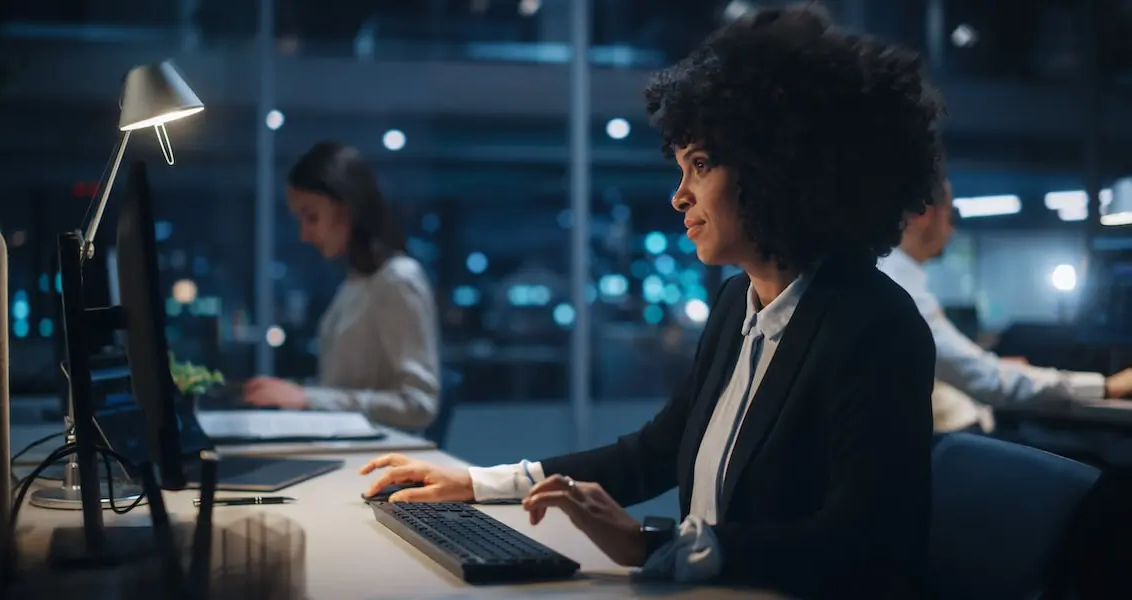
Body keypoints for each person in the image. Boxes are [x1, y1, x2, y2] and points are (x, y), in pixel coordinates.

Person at [360, 6, 944, 598]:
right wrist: (479, 484)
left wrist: (655, 545)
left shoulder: (875, 326)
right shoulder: (737, 304)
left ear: (778, 168)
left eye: (701, 165)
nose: (679, 196)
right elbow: (654, 453)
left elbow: (863, 546)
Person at [879, 178, 1132, 433]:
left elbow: (960, 367)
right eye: (951, 215)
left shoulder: (888, 278)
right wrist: (1106, 386)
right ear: (925, 212)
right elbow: (986, 379)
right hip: (952, 438)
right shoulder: (901, 289)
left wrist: (993, 366)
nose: (952, 230)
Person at [242, 141, 440, 431]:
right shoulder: (357, 282)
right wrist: (297, 394)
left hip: (382, 454)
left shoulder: (398, 279)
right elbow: (339, 389)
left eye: (312, 217)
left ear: (347, 211)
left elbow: (419, 405)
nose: (303, 234)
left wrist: (308, 398)